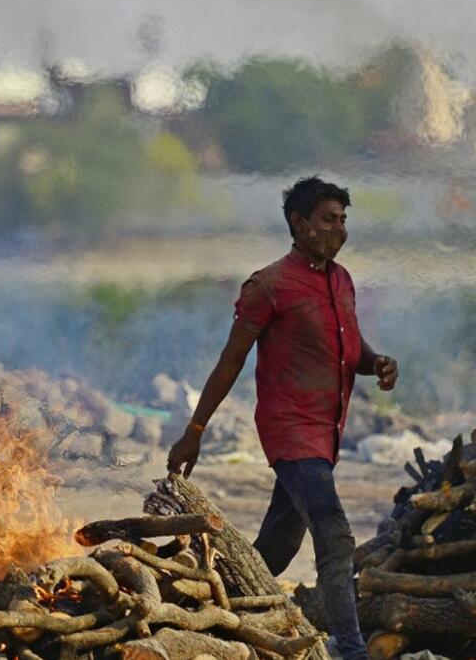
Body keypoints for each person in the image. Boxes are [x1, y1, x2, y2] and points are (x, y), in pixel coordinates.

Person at [166, 176, 398, 660]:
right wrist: (195, 431)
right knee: (334, 535)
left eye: (343, 220)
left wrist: (375, 363)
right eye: (327, 220)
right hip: (290, 431)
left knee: (276, 545)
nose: (338, 230)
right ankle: (352, 650)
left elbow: (347, 349)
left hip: (326, 433)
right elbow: (230, 360)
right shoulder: (268, 285)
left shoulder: (341, 280)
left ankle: (211, 618)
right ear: (298, 224)